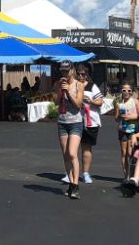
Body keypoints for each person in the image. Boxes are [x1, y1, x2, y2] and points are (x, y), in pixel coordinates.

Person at [55, 63, 85, 199]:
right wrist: (60, 90)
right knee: (66, 155)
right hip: (62, 122)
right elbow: (55, 102)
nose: (65, 74)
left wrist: (68, 91)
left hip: (75, 122)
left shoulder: (79, 85)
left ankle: (75, 185)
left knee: (73, 153)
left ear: (72, 70)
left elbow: (78, 104)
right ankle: (71, 182)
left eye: (67, 71)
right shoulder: (59, 83)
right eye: (62, 71)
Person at [78, 67, 104, 185]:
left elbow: (100, 102)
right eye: (78, 74)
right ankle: (70, 172)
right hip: (76, 120)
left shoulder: (92, 86)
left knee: (86, 148)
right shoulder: (75, 86)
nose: (80, 76)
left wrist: (90, 101)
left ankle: (85, 173)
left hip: (91, 121)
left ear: (87, 75)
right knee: (72, 149)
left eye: (83, 74)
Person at [114, 81, 139, 180]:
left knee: (131, 153)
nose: (126, 92)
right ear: (121, 91)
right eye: (124, 90)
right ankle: (126, 176)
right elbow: (116, 118)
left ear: (131, 92)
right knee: (124, 153)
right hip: (123, 130)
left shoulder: (135, 101)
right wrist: (121, 116)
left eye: (128, 90)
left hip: (134, 130)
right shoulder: (119, 103)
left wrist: (131, 117)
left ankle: (135, 173)